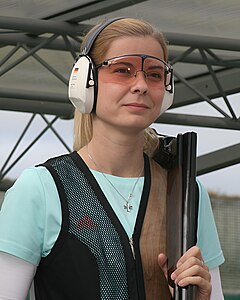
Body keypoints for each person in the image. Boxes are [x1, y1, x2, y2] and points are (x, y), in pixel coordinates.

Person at [0, 17, 224, 299]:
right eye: (122, 70)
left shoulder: (186, 193)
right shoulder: (40, 189)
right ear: (85, 82)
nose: (141, 84)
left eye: (154, 74)